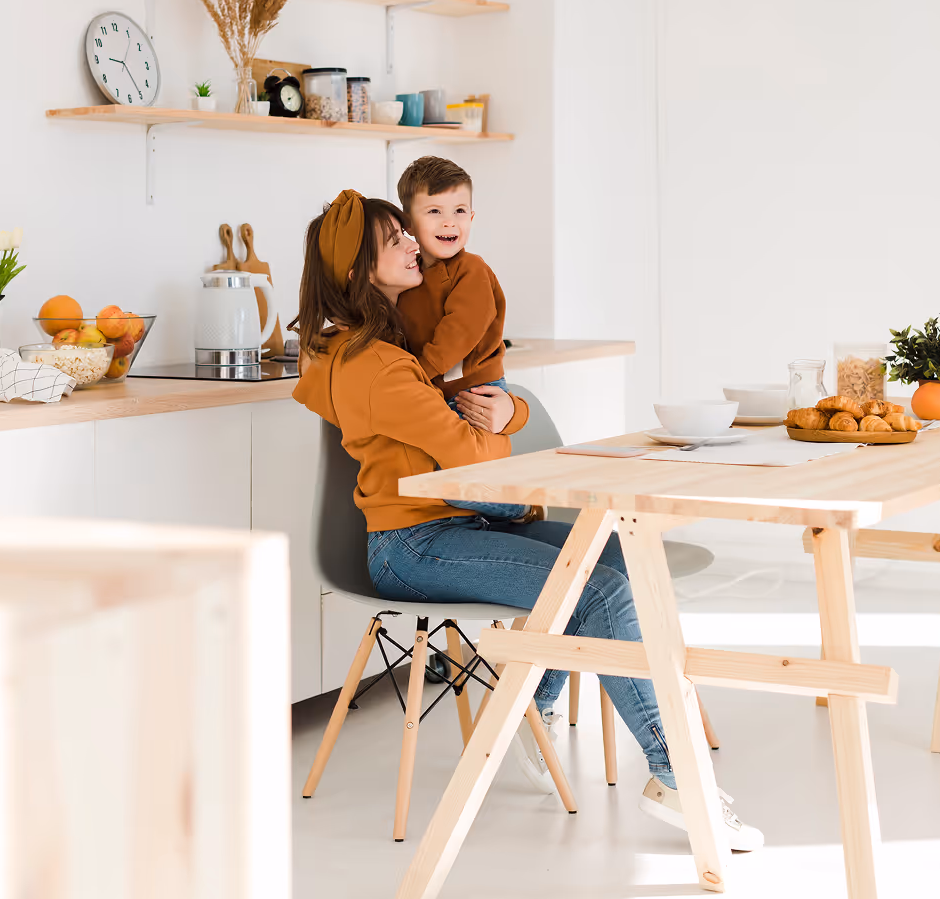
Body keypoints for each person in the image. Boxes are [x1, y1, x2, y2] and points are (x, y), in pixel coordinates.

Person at [292, 189, 763, 849]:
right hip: (414, 545)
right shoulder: (377, 368)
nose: (412, 243)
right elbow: (473, 461)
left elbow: (483, 413)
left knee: (606, 556)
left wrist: (506, 417)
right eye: (394, 238)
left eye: (407, 231)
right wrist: (500, 443)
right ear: (356, 270)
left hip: (453, 525)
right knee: (594, 588)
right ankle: (676, 772)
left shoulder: (388, 353)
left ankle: (527, 705)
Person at [396, 155, 508, 416]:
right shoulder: (410, 274)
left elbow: (460, 330)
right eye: (435, 211)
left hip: (475, 392)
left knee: (471, 456)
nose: (449, 222)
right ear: (408, 223)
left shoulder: (471, 269)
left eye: (459, 211)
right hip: (433, 388)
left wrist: (419, 373)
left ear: (471, 216)